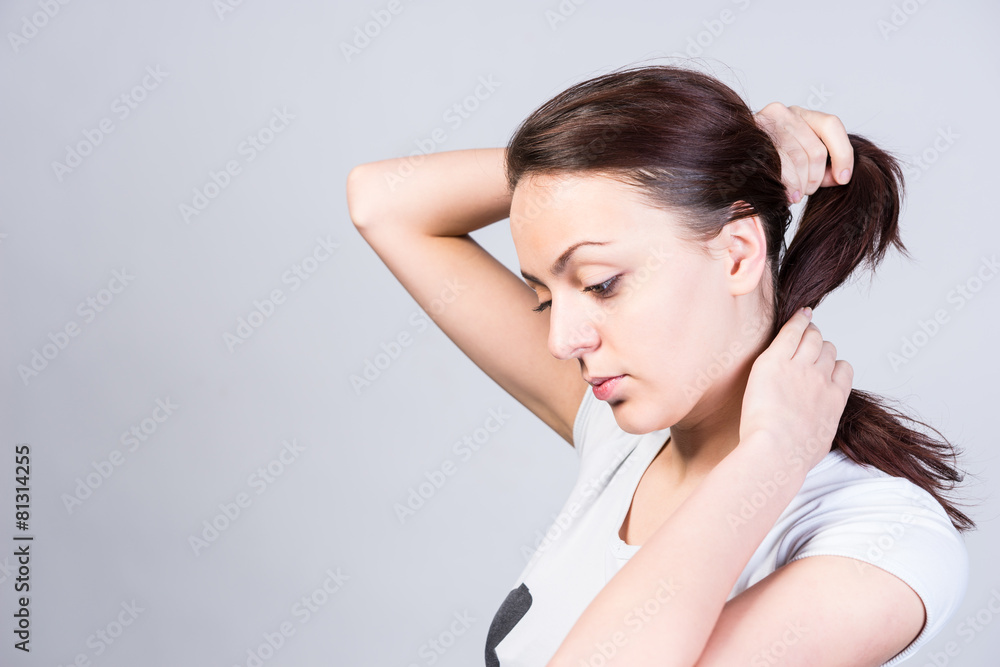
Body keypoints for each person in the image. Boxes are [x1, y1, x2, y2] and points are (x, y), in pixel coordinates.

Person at [345, 63, 973, 667]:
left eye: (600, 283)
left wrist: (773, 456)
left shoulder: (883, 545)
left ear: (735, 254)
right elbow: (384, 201)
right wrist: (727, 157)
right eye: (544, 296)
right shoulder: (625, 438)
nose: (561, 340)